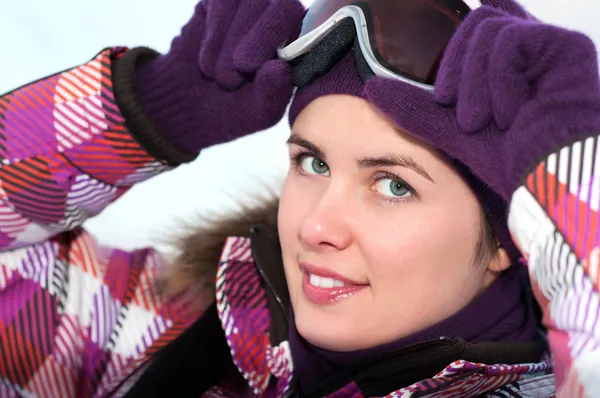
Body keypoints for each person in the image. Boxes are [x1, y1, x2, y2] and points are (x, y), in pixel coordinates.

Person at [0, 0, 598, 396]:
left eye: (393, 185)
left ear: (506, 239)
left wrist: (573, 173)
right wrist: (149, 110)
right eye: (312, 163)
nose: (317, 226)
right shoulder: (149, 325)